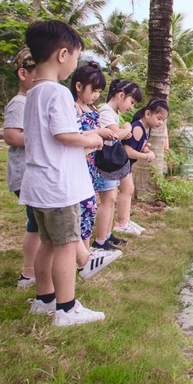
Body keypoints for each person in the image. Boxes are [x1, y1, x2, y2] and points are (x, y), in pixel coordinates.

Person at [20, 20, 106, 327]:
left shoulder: (33, 92)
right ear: (62, 54)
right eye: (76, 57)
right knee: (68, 246)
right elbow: (64, 135)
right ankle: (67, 308)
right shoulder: (57, 93)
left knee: (48, 244)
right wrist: (92, 139)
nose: (74, 65)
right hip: (59, 185)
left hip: (38, 184)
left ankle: (45, 300)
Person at [69, 61, 122, 280]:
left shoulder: (90, 108)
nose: (96, 96)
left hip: (91, 165)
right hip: (78, 163)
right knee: (83, 208)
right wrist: (98, 133)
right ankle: (82, 257)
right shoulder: (73, 108)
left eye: (99, 91)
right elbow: (76, 135)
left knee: (88, 209)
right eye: (94, 90)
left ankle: (85, 252)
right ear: (79, 86)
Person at [2, 48, 39, 289]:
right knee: (36, 223)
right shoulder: (19, 103)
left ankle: (34, 270)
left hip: (33, 174)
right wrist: (43, 136)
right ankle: (28, 272)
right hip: (25, 175)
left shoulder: (33, 101)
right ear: (23, 73)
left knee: (36, 224)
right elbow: (11, 136)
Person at [91, 79, 142, 251]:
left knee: (111, 199)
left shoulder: (112, 112)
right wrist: (127, 129)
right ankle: (99, 241)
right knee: (108, 200)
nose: (131, 107)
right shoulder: (106, 111)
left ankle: (106, 235)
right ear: (121, 95)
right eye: (131, 102)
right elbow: (115, 135)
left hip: (110, 162)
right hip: (106, 163)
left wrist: (123, 132)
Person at [116, 99, 170, 235]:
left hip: (126, 163)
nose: (161, 122)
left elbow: (139, 145)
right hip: (120, 162)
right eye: (159, 118)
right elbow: (128, 151)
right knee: (127, 190)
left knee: (128, 190)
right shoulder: (138, 128)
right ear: (147, 114)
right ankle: (122, 223)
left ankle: (125, 221)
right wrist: (146, 156)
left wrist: (146, 150)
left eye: (163, 120)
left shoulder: (147, 128)